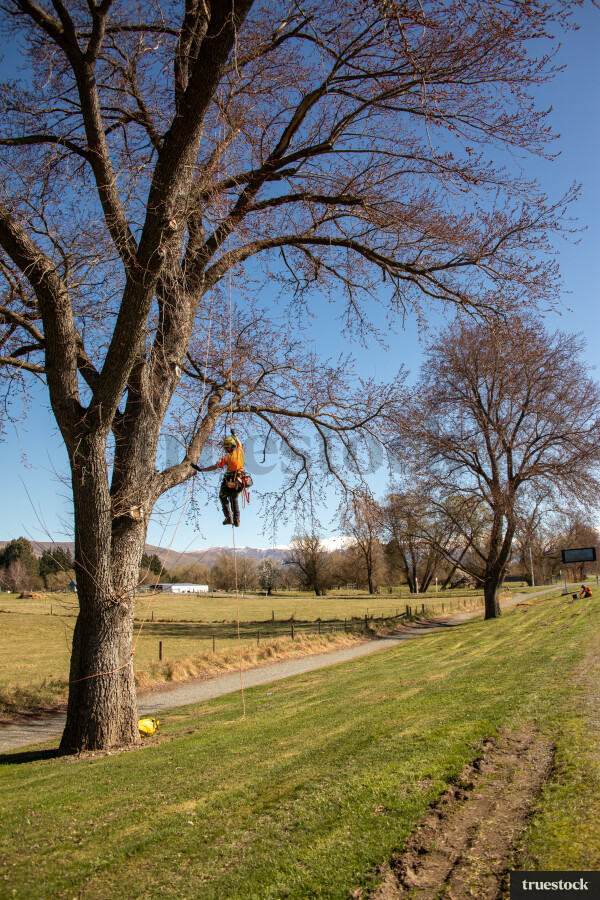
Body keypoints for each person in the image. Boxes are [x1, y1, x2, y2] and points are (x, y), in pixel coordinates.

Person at [192, 427, 245, 526]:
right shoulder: (240, 451)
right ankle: (237, 520)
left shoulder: (226, 458)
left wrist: (201, 469)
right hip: (241, 481)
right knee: (234, 499)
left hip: (230, 481)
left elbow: (215, 466)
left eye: (226, 447)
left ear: (229, 447)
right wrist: (234, 434)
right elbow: (239, 443)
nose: (225, 449)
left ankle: (229, 517)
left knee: (222, 496)